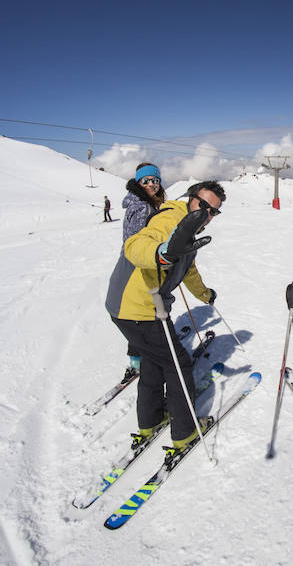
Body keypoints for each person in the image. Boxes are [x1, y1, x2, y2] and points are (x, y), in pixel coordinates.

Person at [105, 180, 223, 456]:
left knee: (153, 362)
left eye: (213, 211)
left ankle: (151, 420)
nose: (206, 213)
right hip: (141, 309)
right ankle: (185, 432)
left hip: (128, 308)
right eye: (202, 205)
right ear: (190, 199)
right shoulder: (171, 219)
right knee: (178, 365)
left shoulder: (189, 227)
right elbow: (136, 245)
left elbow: (188, 268)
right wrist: (160, 253)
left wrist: (205, 295)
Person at [116, 163, 167, 383]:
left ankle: (136, 358)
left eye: (155, 181)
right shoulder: (142, 207)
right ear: (138, 183)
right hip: (138, 265)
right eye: (146, 181)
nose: (152, 185)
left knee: (135, 313)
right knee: (142, 314)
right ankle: (144, 358)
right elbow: (138, 241)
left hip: (133, 263)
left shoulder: (142, 203)